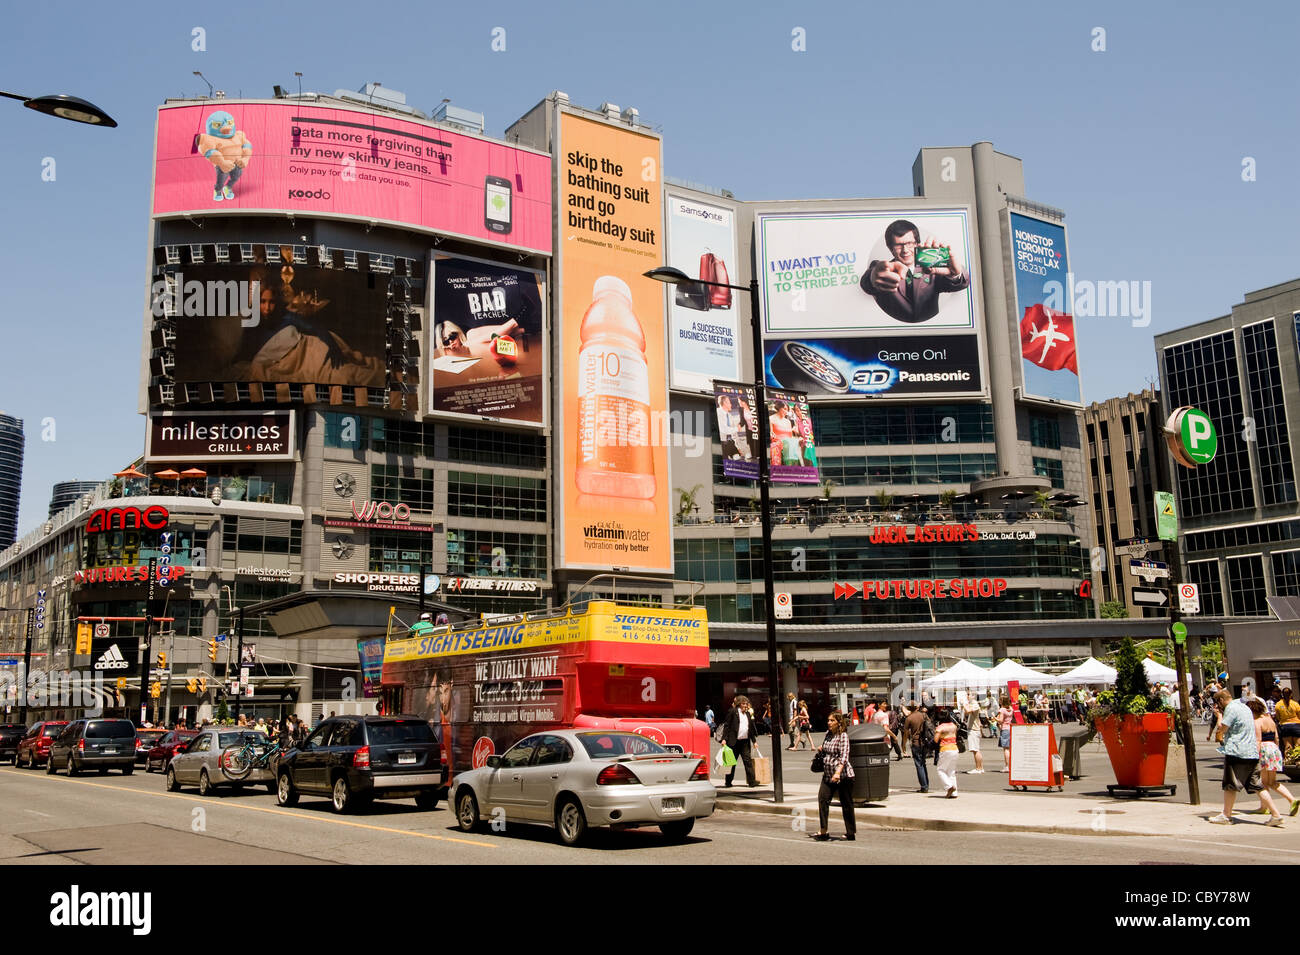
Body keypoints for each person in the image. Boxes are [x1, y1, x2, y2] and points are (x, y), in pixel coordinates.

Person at [859, 219, 968, 323]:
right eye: (898, 245)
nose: (905, 250)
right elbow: (866, 283)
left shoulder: (933, 267)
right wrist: (873, 277)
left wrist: (956, 274)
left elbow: (960, 284)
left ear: (917, 244)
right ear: (890, 248)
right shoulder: (884, 270)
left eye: (910, 243)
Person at [1209, 689, 1282, 826]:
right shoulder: (1244, 707)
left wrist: (1219, 716)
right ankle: (1276, 814)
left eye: (1218, 704)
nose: (1218, 707)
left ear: (1220, 700)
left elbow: (1222, 729)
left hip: (1237, 751)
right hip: (1252, 751)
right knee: (1257, 785)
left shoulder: (1230, 708)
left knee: (1230, 784)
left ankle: (1226, 815)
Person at [1246, 698, 1299, 817]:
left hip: (1264, 749)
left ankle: (1265, 807)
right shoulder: (1270, 720)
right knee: (1272, 781)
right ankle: (1291, 800)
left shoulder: (1257, 722)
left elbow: (1258, 740)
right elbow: (1277, 738)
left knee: (1264, 782)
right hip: (1274, 749)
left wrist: (1255, 756)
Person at [811, 711, 856, 842]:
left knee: (846, 804)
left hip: (843, 776)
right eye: (828, 720)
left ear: (839, 722)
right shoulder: (828, 735)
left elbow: (844, 757)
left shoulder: (843, 736)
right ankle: (823, 830)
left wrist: (838, 772)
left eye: (832, 720)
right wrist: (821, 749)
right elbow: (826, 749)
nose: (829, 723)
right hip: (828, 774)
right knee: (822, 800)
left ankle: (850, 832)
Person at [722, 695, 758, 788]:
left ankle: (752, 781)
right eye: (743, 703)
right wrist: (724, 739)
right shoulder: (733, 712)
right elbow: (727, 726)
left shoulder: (747, 714)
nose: (746, 705)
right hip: (734, 742)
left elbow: (750, 729)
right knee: (732, 763)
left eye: (746, 704)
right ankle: (728, 782)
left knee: (748, 762)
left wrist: (754, 741)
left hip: (745, 742)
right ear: (739, 704)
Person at [904, 703, 933, 793]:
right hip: (925, 742)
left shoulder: (909, 718)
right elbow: (930, 726)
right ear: (917, 707)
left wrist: (903, 745)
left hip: (916, 742)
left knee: (919, 765)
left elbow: (906, 733)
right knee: (923, 764)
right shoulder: (924, 715)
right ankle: (926, 785)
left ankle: (924, 786)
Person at [934, 709, 961, 798]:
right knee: (951, 771)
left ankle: (949, 787)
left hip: (945, 749)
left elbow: (936, 740)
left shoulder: (940, 727)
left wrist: (940, 734)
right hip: (954, 748)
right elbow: (955, 736)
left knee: (940, 770)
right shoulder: (953, 726)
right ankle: (954, 792)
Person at [962, 695, 984, 773]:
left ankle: (978, 768)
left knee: (975, 749)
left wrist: (964, 704)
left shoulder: (975, 704)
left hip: (974, 729)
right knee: (976, 750)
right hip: (974, 728)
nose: (967, 696)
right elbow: (966, 712)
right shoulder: (973, 704)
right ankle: (980, 768)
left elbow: (968, 711)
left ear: (973, 696)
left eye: (969, 695)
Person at [996, 696, 1015, 772]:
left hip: (1005, 729)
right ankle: (1010, 765)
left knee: (1006, 749)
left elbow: (1000, 721)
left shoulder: (1002, 710)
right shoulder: (1011, 709)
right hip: (1010, 728)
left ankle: (1007, 766)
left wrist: (995, 718)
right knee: (1010, 748)